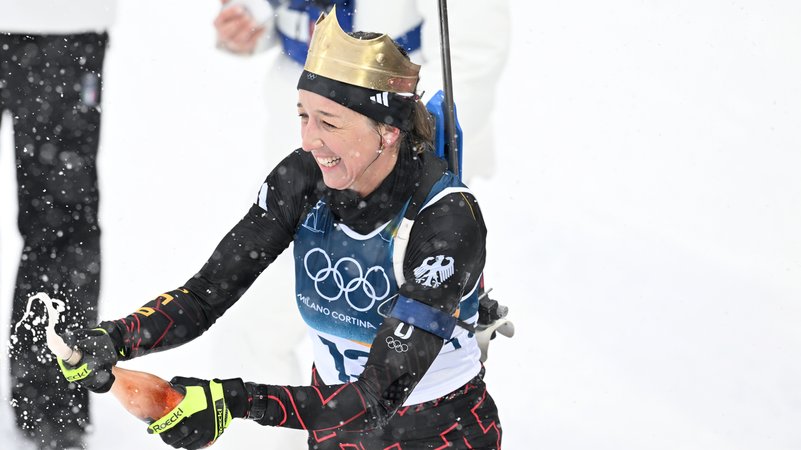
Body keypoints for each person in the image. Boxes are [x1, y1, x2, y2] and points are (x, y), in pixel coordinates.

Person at [58, 10, 502, 450]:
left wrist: (236, 401)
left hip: (440, 435)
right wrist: (117, 338)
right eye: (303, 116)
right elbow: (206, 295)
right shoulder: (303, 179)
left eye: (329, 123)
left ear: (387, 132)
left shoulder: (446, 220)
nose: (309, 141)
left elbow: (374, 399)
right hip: (334, 435)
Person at [214, 0, 511, 182]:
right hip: (296, 152)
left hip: (399, 160)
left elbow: (469, 56)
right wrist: (248, 25)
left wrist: (409, 150)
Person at [0, 1, 116, 448]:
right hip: (65, 31)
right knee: (62, 227)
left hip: (65, 25)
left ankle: (50, 402)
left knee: (62, 227)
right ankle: (50, 405)